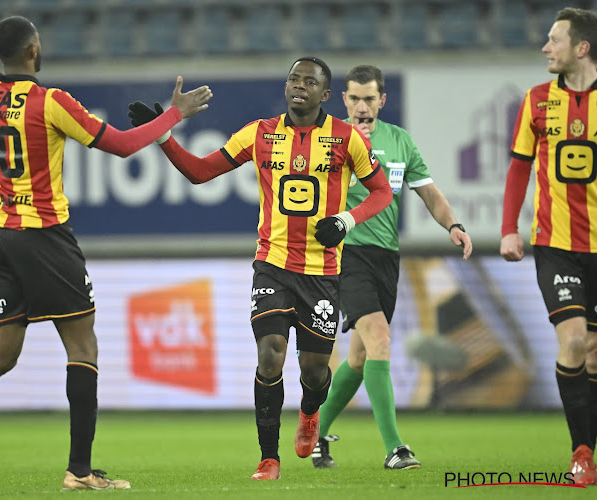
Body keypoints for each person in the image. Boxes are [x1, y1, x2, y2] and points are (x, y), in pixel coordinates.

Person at [0, 15, 212, 492]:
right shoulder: (51, 102)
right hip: (45, 235)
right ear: (33, 50)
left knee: (0, 353)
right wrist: (173, 116)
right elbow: (125, 146)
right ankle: (81, 471)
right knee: (82, 346)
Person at [127, 57, 393, 480]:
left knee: (314, 370)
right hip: (272, 264)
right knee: (270, 354)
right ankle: (269, 457)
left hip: (322, 271)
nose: (298, 85)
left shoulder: (346, 139)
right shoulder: (260, 133)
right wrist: (162, 136)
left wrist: (346, 220)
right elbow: (200, 172)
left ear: (326, 95)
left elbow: (382, 193)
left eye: (309, 81)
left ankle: (310, 414)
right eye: (293, 78)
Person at [309, 65, 472, 471]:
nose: (362, 107)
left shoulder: (400, 141)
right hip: (345, 253)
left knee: (362, 357)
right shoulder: (326, 139)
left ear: (382, 100)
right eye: (354, 98)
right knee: (379, 338)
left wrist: (452, 224)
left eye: (370, 99)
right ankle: (395, 448)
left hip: (386, 255)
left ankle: (315, 432)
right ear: (343, 100)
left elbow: (430, 194)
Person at [500, 7, 597, 486]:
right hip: (555, 245)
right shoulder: (537, 100)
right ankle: (581, 452)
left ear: (581, 47)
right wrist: (508, 229)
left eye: (554, 40)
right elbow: (519, 167)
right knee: (575, 340)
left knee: (595, 354)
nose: (545, 47)